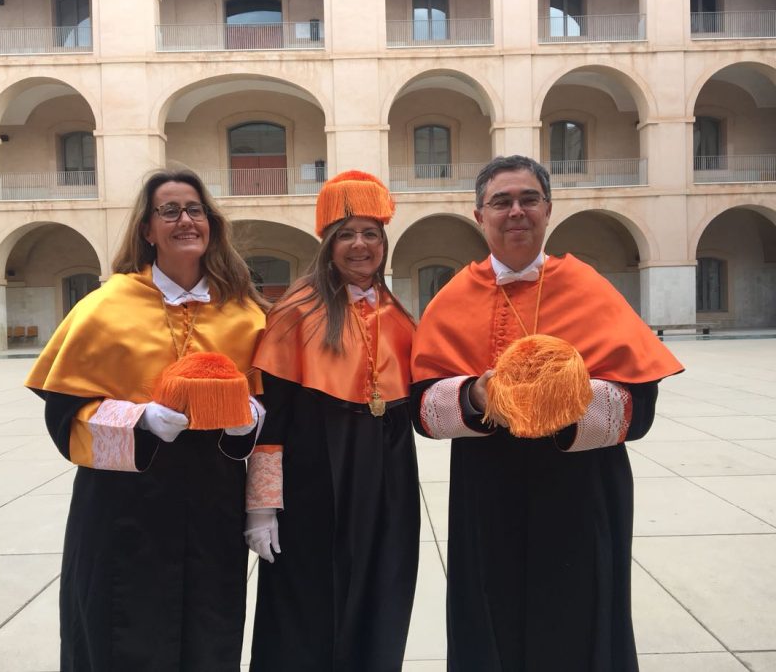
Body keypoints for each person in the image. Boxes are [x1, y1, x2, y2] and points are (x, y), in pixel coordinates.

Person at [410, 155, 684, 672]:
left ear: (548, 210)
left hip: (582, 492)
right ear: (479, 216)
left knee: (581, 620)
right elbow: (424, 409)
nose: (516, 211)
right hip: (488, 492)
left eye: (528, 199)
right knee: (491, 619)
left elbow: (639, 408)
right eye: (501, 201)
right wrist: (475, 396)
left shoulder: (589, 288)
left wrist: (563, 404)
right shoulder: (452, 299)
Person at [25, 169, 268, 672]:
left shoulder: (245, 313)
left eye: (195, 210)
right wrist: (140, 420)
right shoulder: (104, 307)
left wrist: (250, 423)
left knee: (209, 628)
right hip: (123, 505)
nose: (185, 220)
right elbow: (64, 414)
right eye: (170, 211)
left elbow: (272, 411)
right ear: (147, 229)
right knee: (123, 632)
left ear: (211, 224)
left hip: (212, 502)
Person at [245, 170, 420, 671]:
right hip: (313, 487)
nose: (359, 245)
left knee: (380, 594)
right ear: (327, 243)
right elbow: (270, 419)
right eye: (346, 234)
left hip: (389, 487)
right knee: (310, 611)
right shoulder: (295, 311)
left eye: (370, 233)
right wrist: (261, 507)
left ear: (384, 242)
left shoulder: (400, 315)